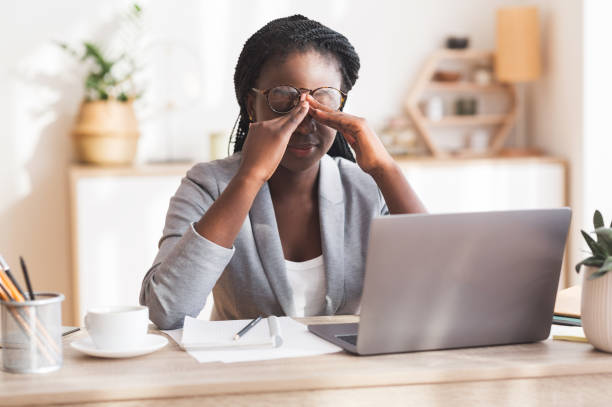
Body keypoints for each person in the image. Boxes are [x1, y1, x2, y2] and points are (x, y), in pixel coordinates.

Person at [140, 15, 426, 329]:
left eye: (324, 100)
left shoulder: (365, 187)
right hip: (241, 372)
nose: (305, 123)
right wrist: (250, 178)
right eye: (284, 99)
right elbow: (166, 312)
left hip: (344, 373)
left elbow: (437, 288)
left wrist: (385, 170)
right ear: (252, 106)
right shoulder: (208, 185)